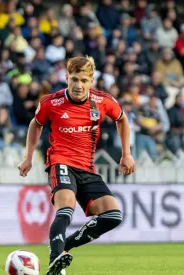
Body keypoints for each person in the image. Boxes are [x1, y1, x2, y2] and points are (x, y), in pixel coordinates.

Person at [18, 56, 135, 275]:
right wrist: (28, 157)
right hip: (60, 162)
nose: (78, 85)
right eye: (74, 79)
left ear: (91, 81)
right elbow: (36, 124)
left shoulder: (103, 101)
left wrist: (126, 154)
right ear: (66, 78)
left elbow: (122, 119)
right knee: (66, 208)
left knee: (113, 216)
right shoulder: (51, 103)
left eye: (83, 80)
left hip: (87, 168)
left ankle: (63, 247)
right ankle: (55, 261)